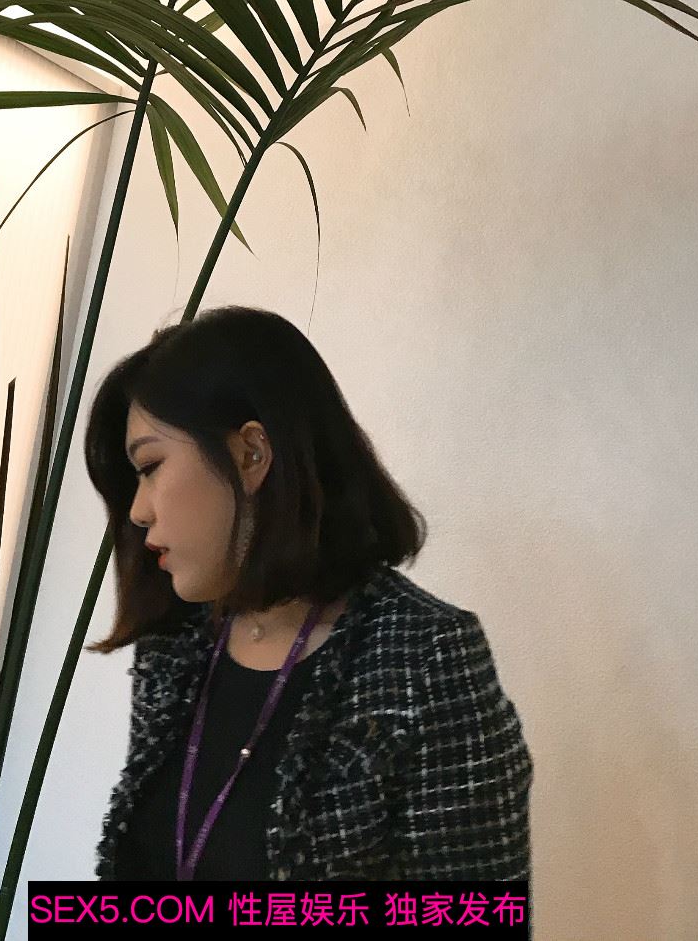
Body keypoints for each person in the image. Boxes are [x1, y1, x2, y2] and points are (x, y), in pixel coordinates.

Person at [83, 305, 533, 887]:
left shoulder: (427, 660)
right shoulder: (175, 647)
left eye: (150, 466)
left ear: (251, 453)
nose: (138, 511)